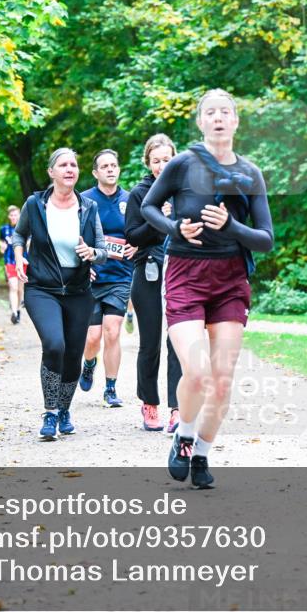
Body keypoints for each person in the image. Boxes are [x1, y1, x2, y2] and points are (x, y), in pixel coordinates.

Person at [142, 89, 274, 489]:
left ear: (235, 121)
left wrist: (230, 227)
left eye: (225, 112)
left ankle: (200, 453)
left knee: (221, 379)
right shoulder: (182, 165)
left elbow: (266, 238)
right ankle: (184, 432)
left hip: (230, 280)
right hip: (185, 273)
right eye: (210, 112)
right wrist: (174, 228)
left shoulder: (250, 173)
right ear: (200, 122)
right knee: (196, 372)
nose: (218, 118)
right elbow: (149, 206)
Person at [10, 148, 108, 440]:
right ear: (51, 172)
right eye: (63, 165)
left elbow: (102, 251)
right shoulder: (35, 204)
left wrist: (92, 252)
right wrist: (18, 257)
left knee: (73, 355)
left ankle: (65, 409)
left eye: (74, 165)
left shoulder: (88, 207)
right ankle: (50, 412)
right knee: (55, 344)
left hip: (78, 290)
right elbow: (19, 234)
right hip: (42, 288)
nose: (69, 169)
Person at [125, 133, 184, 432]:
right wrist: (157, 218)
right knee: (150, 343)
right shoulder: (140, 193)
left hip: (180, 272)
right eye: (156, 161)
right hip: (148, 271)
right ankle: (149, 404)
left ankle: (177, 408)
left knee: (178, 341)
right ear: (148, 163)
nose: (162, 166)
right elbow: (132, 236)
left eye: (167, 159)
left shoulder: (184, 191)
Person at [78, 150, 137, 407]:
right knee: (92, 338)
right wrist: (82, 266)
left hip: (120, 277)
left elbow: (141, 232)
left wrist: (136, 245)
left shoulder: (131, 200)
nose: (110, 170)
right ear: (95, 173)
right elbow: (73, 235)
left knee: (112, 333)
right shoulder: (84, 200)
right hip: (91, 278)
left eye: (114, 165)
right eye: (104, 166)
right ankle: (89, 364)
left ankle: (110, 388)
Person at [0, 205, 27, 324]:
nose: (13, 217)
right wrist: (1, 246)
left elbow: (30, 243)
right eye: (11, 215)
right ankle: (14, 312)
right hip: (10, 261)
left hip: (23, 261)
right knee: (13, 287)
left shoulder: (25, 228)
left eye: (16, 215)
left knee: (20, 289)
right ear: (8, 216)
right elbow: (1, 241)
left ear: (19, 215)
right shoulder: (4, 229)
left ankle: (19, 309)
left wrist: (28, 256)